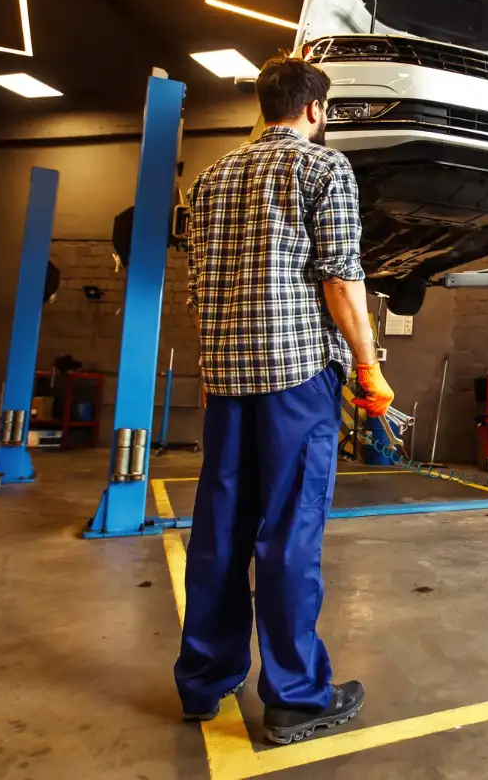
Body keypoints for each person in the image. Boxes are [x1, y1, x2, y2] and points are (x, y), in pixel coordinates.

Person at [174, 53, 395, 744]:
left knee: (219, 532)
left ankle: (203, 683)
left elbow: (198, 286)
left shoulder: (210, 180)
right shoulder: (323, 168)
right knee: (289, 534)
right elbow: (338, 276)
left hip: (228, 383)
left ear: (262, 107)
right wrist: (367, 364)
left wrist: (217, 368)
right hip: (296, 380)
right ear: (314, 110)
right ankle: (296, 694)